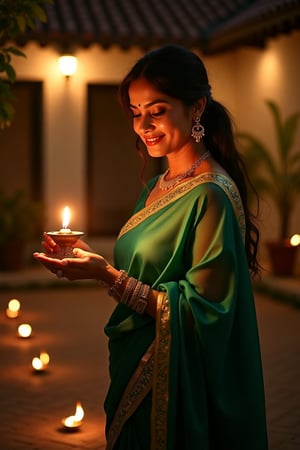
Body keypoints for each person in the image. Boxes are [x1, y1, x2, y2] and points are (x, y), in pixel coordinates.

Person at [34, 45, 268, 450]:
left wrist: (106, 275)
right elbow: (145, 272)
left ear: (196, 108)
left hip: (172, 377)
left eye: (156, 111)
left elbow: (204, 313)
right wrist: (84, 256)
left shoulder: (210, 194)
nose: (144, 125)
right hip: (135, 353)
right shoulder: (158, 185)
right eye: (135, 112)